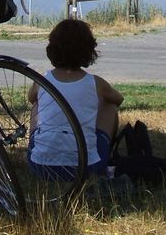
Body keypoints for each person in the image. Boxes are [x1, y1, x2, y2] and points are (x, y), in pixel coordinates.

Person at [27, 19, 124, 179]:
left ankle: (42, 146)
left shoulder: (42, 80)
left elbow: (31, 98)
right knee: (109, 105)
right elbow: (118, 99)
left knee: (37, 104)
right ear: (88, 49)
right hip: (86, 167)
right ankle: (103, 149)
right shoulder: (96, 83)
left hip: (40, 166)